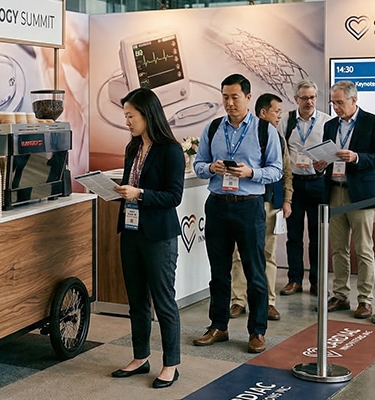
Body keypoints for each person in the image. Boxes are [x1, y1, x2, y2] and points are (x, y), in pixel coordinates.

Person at [192, 74, 282, 354]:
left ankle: (257, 331)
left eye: (235, 97)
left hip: (249, 205)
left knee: (255, 271)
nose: (229, 103)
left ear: (248, 98)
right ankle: (218, 326)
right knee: (219, 272)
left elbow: (277, 170)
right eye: (225, 97)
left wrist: (251, 172)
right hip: (218, 203)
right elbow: (198, 164)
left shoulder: (265, 131)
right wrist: (211, 169)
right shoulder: (213, 128)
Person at [111, 88, 184, 389]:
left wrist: (140, 194)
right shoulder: (133, 149)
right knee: (137, 300)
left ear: (147, 114)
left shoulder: (170, 150)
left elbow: (173, 196)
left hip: (158, 235)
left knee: (163, 300)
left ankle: (171, 364)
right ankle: (140, 357)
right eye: (125, 115)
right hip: (131, 232)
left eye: (131, 115)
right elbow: (132, 182)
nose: (127, 121)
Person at [313, 81, 375, 319]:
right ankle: (340, 295)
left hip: (361, 195)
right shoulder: (330, 125)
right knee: (338, 249)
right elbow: (326, 154)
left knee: (364, 249)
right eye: (333, 103)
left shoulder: (373, 122)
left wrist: (356, 157)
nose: (335, 107)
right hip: (334, 191)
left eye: (340, 102)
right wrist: (320, 164)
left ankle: (365, 299)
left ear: (354, 100)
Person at [229, 93, 292, 322]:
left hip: (271, 204)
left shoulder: (278, 137)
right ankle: (238, 300)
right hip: (245, 203)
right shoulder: (242, 134)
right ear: (263, 112)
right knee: (238, 254)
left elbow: (285, 170)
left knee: (268, 254)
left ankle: (269, 302)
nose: (279, 116)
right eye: (276, 111)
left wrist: (287, 200)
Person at [279, 80, 331, 297]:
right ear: (296, 100)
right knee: (294, 235)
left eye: (312, 97)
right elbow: (281, 150)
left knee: (317, 236)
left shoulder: (327, 122)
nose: (309, 102)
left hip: (319, 182)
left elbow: (333, 151)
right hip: (295, 185)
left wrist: (326, 162)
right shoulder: (287, 121)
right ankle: (294, 279)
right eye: (304, 98)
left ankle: (317, 281)